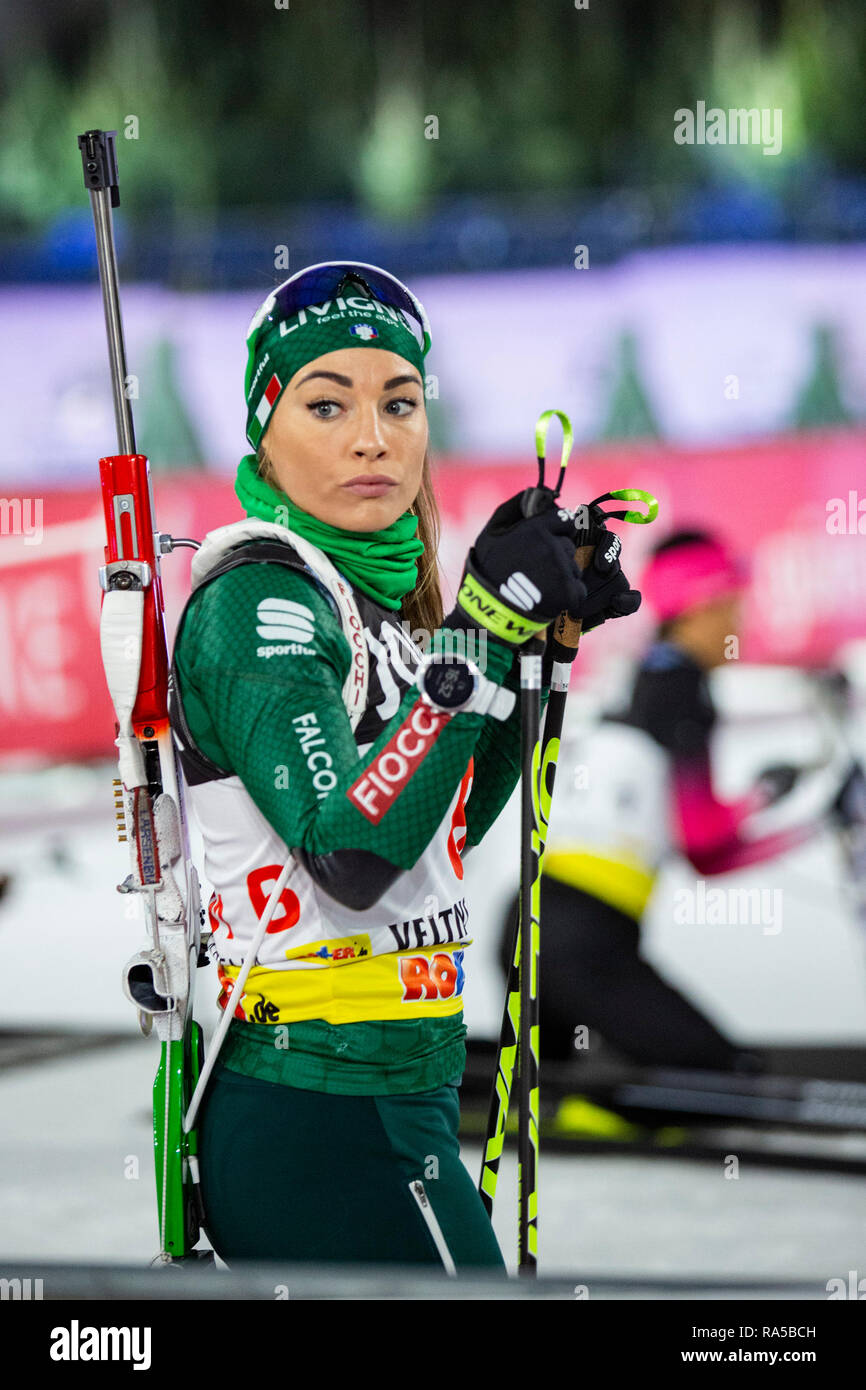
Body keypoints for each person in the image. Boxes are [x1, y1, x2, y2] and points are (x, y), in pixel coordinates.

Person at [168, 262, 640, 1269]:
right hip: (318, 1109)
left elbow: (438, 824)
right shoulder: (263, 602)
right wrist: (475, 636)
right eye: (325, 403)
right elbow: (350, 852)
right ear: (265, 429)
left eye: (399, 402)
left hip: (396, 1095)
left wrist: (529, 650)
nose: (371, 436)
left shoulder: (369, 598)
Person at [498, 528, 816, 1074]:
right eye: (731, 607)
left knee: (590, 1084)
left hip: (548, 930)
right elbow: (705, 839)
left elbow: (705, 857)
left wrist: (796, 824)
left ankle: (591, 1113)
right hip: (581, 941)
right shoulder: (679, 683)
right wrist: (775, 801)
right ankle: (601, 1117)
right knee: (727, 1080)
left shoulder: (653, 677)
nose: (739, 625)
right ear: (696, 609)